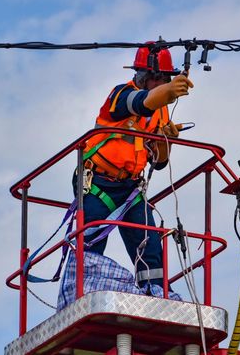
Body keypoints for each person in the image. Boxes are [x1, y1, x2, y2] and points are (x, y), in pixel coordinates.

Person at [57, 43, 193, 310]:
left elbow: (159, 163)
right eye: (159, 78)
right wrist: (166, 92)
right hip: (98, 183)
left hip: (131, 188)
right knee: (90, 242)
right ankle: (80, 299)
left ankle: (157, 299)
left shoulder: (161, 111)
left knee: (150, 248)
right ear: (143, 76)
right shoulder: (119, 95)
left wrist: (165, 142)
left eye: (165, 79)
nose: (162, 83)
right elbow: (139, 104)